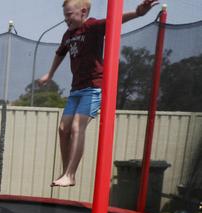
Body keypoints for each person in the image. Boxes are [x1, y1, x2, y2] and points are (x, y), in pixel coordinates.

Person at [38, 0, 158, 187]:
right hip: (76, 89)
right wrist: (50, 74)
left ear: (83, 11)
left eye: (69, 14)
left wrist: (137, 13)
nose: (66, 19)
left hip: (93, 87)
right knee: (63, 129)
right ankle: (66, 172)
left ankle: (70, 174)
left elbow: (113, 20)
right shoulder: (68, 35)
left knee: (78, 126)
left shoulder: (91, 26)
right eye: (64, 15)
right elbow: (60, 53)